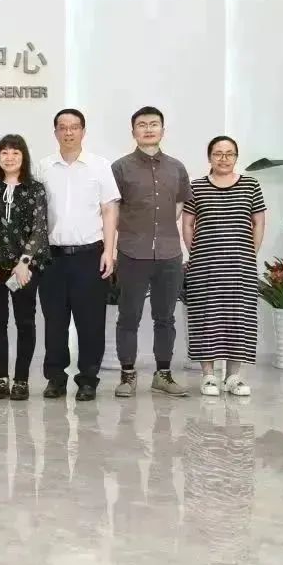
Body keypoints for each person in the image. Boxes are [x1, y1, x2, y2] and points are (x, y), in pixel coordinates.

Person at [37, 108, 120, 402]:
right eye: (62, 127)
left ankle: (88, 379)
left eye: (74, 127)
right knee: (54, 321)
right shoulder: (43, 167)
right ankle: (55, 378)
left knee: (90, 322)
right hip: (52, 258)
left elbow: (109, 210)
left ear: (83, 131)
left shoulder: (100, 166)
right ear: (55, 132)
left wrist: (109, 251)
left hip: (90, 255)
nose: (68, 132)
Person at [111, 106, 192, 398]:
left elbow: (181, 205)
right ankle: (127, 375)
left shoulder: (176, 167)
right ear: (133, 131)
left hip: (169, 253)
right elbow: (111, 209)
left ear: (162, 130)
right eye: (142, 125)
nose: (148, 129)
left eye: (154, 124)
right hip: (132, 252)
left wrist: (164, 230)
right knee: (128, 317)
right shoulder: (120, 168)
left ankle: (163, 375)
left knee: (165, 317)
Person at [182, 136, 266, 397]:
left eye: (229, 153)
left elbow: (258, 222)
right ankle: (208, 376)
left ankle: (233, 377)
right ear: (209, 157)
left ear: (236, 157)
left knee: (239, 317)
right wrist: (196, 253)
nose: (224, 158)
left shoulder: (251, 185)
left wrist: (250, 253)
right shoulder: (196, 187)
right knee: (205, 317)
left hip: (241, 265)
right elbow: (187, 224)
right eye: (218, 153)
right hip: (204, 266)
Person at [0, 134, 49, 401]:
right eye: (4, 152)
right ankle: (1, 378)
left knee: (25, 322)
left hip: (25, 268)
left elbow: (39, 228)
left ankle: (21, 380)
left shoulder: (35, 189)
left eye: (15, 152)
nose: (10, 157)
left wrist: (24, 263)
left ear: (23, 157)